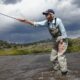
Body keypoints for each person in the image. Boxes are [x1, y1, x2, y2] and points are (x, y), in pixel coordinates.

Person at [17, 9, 68, 75]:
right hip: (55, 41)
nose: (45, 15)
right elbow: (36, 24)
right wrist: (25, 21)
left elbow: (63, 31)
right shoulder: (47, 22)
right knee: (52, 58)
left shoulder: (58, 20)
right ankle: (57, 71)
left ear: (51, 14)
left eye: (47, 14)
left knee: (60, 57)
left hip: (62, 40)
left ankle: (64, 72)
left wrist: (61, 40)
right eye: (45, 14)